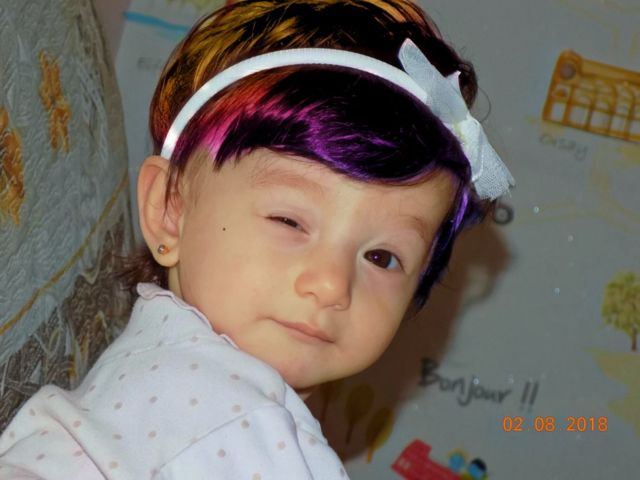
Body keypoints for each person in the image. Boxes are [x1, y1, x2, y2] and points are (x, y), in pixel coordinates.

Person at [0, 0, 514, 478]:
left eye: (381, 257)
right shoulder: (235, 421)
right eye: (290, 222)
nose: (331, 284)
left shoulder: (157, 371)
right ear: (169, 209)